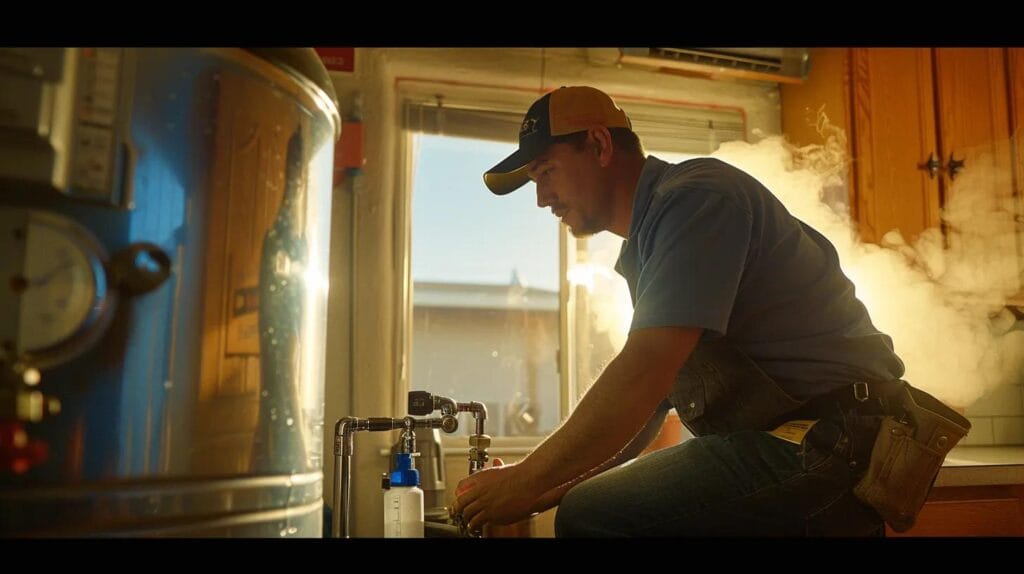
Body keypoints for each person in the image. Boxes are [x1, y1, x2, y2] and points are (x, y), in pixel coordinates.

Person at [449, 86, 955, 537]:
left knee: (594, 515)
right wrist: (537, 491)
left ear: (600, 145)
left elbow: (643, 373)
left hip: (832, 439)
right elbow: (649, 409)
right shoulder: (649, 246)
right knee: (586, 508)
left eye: (546, 173)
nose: (542, 199)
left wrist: (529, 477)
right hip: (804, 441)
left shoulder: (695, 200)